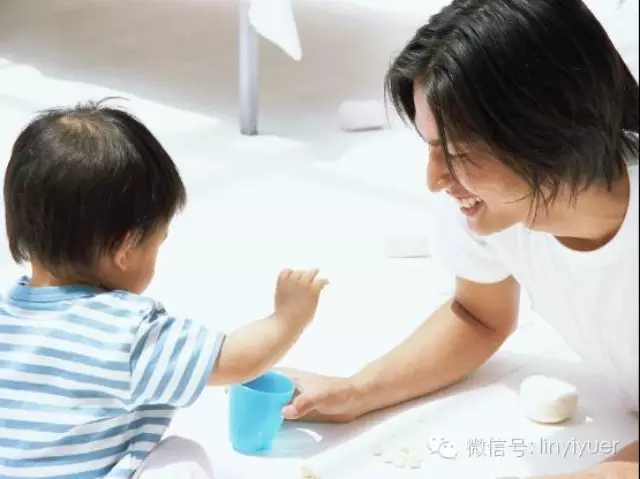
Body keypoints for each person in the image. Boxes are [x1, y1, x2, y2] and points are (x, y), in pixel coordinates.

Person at [280, 1, 639, 477]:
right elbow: (479, 315)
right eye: (433, 149)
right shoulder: (493, 207)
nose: (435, 180)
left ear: (549, 131)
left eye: (458, 153)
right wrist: (356, 392)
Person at [0, 102, 328, 479]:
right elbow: (234, 362)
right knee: (182, 456)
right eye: (157, 243)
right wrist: (287, 318)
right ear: (125, 250)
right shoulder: (127, 332)